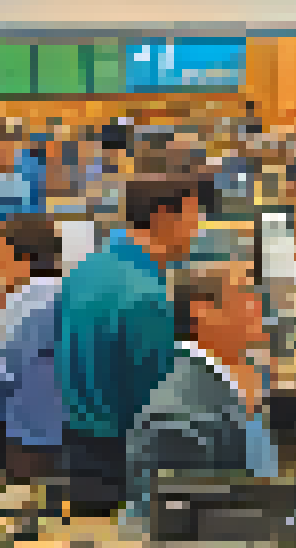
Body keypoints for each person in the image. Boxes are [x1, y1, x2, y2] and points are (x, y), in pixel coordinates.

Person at [56, 176, 202, 514]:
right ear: (164, 217)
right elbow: (153, 401)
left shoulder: (82, 273)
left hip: (77, 449)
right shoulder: (146, 293)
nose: (197, 231)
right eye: (193, 217)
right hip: (126, 458)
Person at [125, 266, 278, 527]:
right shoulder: (177, 418)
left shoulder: (226, 388)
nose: (258, 306)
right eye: (245, 295)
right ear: (204, 311)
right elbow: (188, 527)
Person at [0, 214, 68, 483]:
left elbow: (2, 374)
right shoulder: (68, 291)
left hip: (33, 429)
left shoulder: (25, 301)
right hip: (71, 426)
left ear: (23, 258)